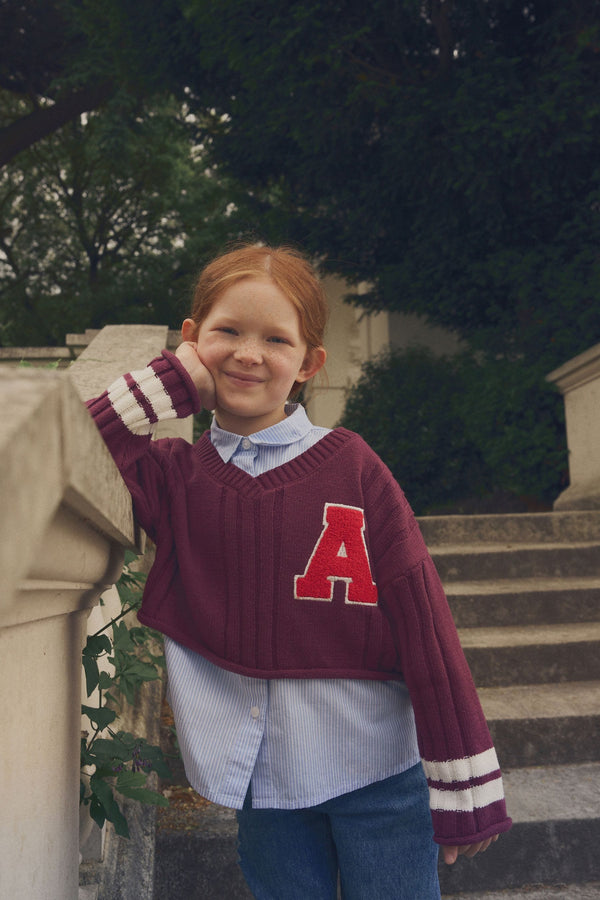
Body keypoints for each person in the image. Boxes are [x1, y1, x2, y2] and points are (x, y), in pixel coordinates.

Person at [87, 244, 511, 899]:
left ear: (309, 363)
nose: (249, 354)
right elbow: (89, 443)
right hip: (263, 783)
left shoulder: (354, 466)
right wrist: (176, 379)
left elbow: (421, 612)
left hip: (377, 771)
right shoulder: (175, 477)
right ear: (193, 339)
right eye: (228, 331)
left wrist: (464, 774)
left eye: (275, 338)